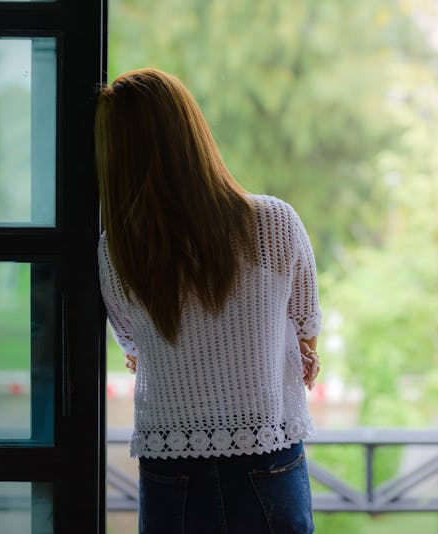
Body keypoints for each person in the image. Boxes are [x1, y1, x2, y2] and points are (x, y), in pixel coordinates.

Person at [95, 68, 321, 534]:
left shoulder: (115, 253)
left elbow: (137, 353)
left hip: (170, 467)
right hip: (267, 458)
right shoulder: (273, 222)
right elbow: (306, 340)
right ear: (191, 133)